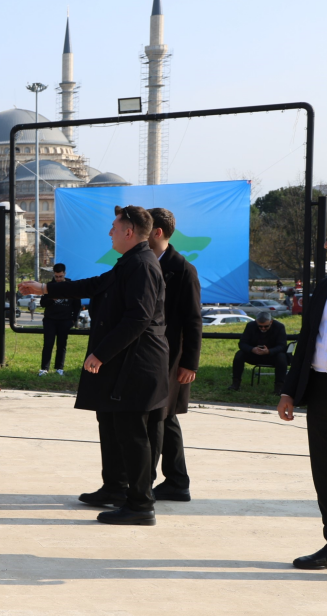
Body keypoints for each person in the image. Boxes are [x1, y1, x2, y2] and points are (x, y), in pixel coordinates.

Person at [19, 205, 169, 526]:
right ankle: (115, 488)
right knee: (115, 428)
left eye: (115, 226)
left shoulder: (142, 265)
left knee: (133, 434)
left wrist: (101, 353)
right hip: (125, 365)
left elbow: (138, 318)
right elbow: (92, 286)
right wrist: (45, 288)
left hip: (137, 366)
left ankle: (140, 504)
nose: (110, 231)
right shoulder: (130, 262)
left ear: (129, 231)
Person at [278, 229, 327, 570]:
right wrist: (289, 391)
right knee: (325, 471)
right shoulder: (324, 287)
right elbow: (307, 341)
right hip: (322, 390)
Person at [146, 208, 203, 504]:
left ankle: (151, 483)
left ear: (157, 232)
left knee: (161, 416)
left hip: (171, 356)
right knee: (164, 418)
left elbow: (193, 320)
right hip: (152, 354)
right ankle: (177, 481)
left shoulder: (182, 269)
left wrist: (189, 363)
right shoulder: (145, 263)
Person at [39, 263, 81, 376]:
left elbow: (77, 305)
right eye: (56, 276)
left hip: (65, 320)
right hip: (50, 320)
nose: (58, 279)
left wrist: (74, 319)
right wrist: (52, 299)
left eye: (60, 276)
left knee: (61, 345)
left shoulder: (71, 285)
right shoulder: (49, 286)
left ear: (64, 274)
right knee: (48, 344)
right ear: (54, 274)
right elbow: (42, 303)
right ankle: (44, 368)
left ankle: (59, 368)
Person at [231, 312, 288, 393]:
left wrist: (269, 351)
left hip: (272, 356)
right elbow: (242, 343)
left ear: (271, 322)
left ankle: (279, 387)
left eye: (266, 326)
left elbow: (282, 346)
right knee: (239, 354)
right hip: (255, 355)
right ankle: (235, 383)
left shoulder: (279, 327)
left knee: (282, 357)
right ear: (256, 322)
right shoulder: (250, 326)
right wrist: (252, 349)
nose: (263, 328)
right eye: (260, 326)